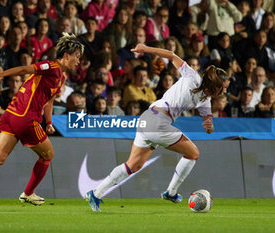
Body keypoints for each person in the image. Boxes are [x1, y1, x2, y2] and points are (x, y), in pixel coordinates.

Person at [84, 43, 230, 212]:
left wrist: (209, 125)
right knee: (193, 153)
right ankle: (171, 192)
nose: (225, 90)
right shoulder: (192, 76)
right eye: (224, 87)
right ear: (216, 84)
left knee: (134, 165)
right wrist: (145, 49)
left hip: (147, 118)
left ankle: (95, 193)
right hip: (158, 121)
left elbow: (207, 121)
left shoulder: (205, 100)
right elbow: (171, 55)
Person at [0, 33, 84, 207]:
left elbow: (49, 100)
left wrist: (50, 122)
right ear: (66, 55)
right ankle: (28, 193)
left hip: (10, 115)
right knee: (48, 155)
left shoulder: (61, 77)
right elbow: (24, 69)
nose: (78, 61)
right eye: (76, 56)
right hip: (25, 118)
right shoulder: (51, 67)